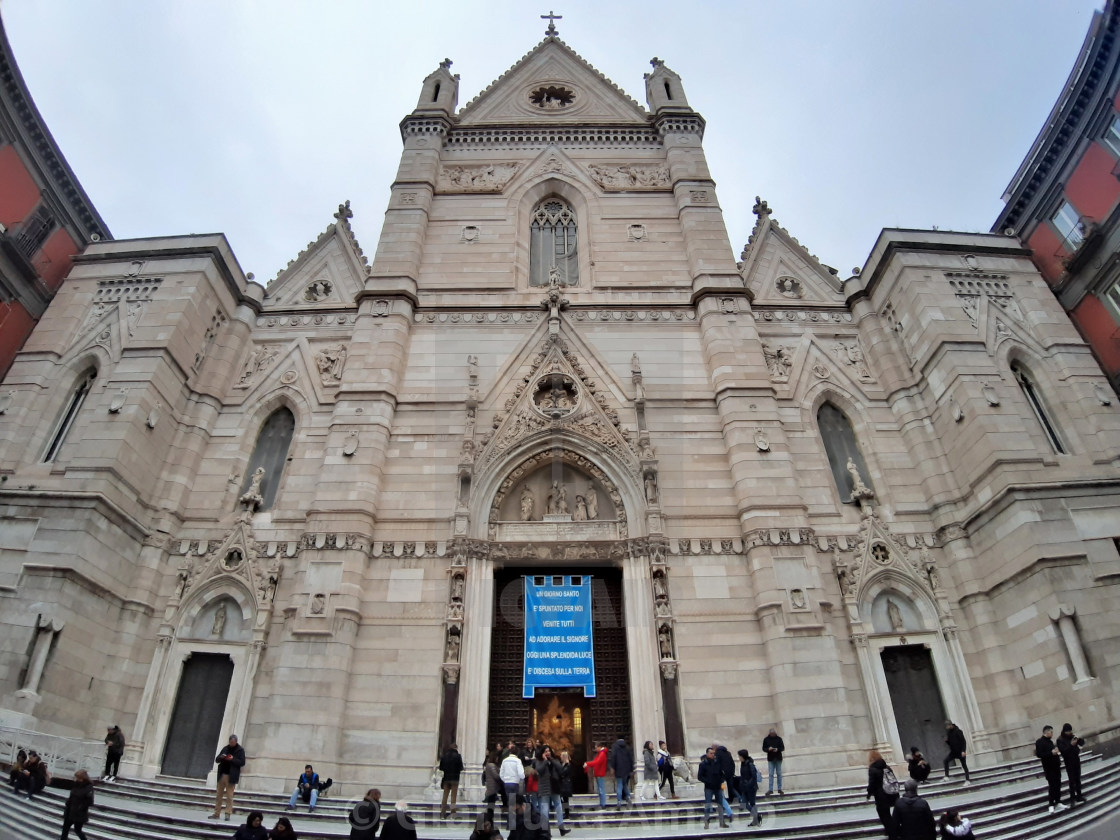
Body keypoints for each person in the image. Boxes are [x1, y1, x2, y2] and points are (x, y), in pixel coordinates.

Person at [533, 745, 571, 836]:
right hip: (544, 787)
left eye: (549, 751)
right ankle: (545, 830)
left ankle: (561, 828)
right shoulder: (539, 761)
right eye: (546, 751)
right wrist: (545, 761)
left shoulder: (554, 760)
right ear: (542, 753)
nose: (548, 753)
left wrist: (552, 760)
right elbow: (539, 770)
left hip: (554, 786)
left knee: (558, 806)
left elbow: (560, 769)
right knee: (544, 808)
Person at [209, 734, 245, 821]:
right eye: (230, 742)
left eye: (233, 742)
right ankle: (216, 813)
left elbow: (242, 762)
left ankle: (228, 813)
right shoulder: (225, 748)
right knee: (219, 795)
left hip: (231, 776)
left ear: (236, 741)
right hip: (222, 774)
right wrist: (221, 757)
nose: (231, 743)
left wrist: (232, 759)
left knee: (229, 796)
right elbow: (217, 759)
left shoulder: (240, 750)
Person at [866, 749, 900, 840]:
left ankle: (892, 835)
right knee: (890, 816)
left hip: (881, 796)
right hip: (892, 794)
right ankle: (894, 832)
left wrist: (868, 794)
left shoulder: (872, 769)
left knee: (885, 817)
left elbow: (872, 784)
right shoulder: (887, 767)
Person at [698, 745, 733, 829]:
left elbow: (722, 773)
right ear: (707, 754)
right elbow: (700, 776)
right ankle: (706, 822)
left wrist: (721, 780)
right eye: (711, 753)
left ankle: (722, 822)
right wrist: (707, 781)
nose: (713, 755)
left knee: (720, 805)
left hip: (718, 786)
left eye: (713, 753)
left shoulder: (717, 763)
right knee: (708, 804)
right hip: (709, 787)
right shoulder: (703, 764)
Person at [1035, 724, 1066, 814]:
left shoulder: (1050, 742)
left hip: (1056, 766)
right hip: (1049, 768)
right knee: (1052, 786)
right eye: (1051, 732)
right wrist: (1051, 753)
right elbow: (1039, 754)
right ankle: (1051, 804)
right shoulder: (1040, 742)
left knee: (1058, 784)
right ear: (1046, 732)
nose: (1052, 734)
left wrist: (1056, 752)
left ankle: (1058, 801)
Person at [60, 769, 94, 840]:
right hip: (70, 810)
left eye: (79, 778)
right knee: (65, 829)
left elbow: (89, 801)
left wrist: (80, 807)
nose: (77, 779)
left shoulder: (88, 787)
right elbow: (72, 795)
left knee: (77, 830)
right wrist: (68, 802)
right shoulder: (76, 784)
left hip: (79, 813)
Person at [1057, 723, 1085, 806]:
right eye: (1068, 731)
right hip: (1068, 761)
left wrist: (1079, 739)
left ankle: (1079, 796)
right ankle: (1072, 798)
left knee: (1078, 779)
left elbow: (1081, 743)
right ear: (1065, 731)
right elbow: (1063, 751)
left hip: (1076, 759)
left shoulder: (1072, 736)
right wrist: (1071, 745)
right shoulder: (1060, 740)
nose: (1069, 732)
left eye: (1070, 731)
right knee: (1072, 780)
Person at [737, 749, 762, 827]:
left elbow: (753, 776)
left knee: (752, 803)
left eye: (739, 756)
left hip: (751, 787)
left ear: (742, 756)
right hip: (745, 787)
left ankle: (755, 820)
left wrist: (748, 784)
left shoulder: (750, 764)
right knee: (744, 803)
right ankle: (757, 816)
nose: (738, 758)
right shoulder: (743, 764)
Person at [501, 748, 526, 823]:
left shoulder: (504, 760)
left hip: (507, 783)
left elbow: (501, 773)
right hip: (514, 783)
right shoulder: (517, 761)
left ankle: (510, 821)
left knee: (510, 802)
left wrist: (505, 780)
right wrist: (521, 778)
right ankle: (513, 821)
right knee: (515, 802)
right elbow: (521, 773)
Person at [439, 742, 464, 818]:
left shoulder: (444, 756)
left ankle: (442, 813)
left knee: (445, 796)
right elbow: (461, 767)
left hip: (446, 778)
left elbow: (441, 768)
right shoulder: (458, 756)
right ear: (456, 748)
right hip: (455, 779)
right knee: (453, 796)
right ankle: (453, 813)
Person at [607, 737, 634, 807]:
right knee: (625, 785)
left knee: (619, 785)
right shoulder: (627, 748)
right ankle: (628, 797)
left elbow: (613, 757)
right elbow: (631, 759)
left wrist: (612, 767)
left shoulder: (615, 747)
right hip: (626, 770)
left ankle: (619, 801)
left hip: (619, 770)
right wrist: (631, 770)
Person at [583, 741, 608, 809]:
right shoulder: (600, 753)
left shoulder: (602, 754)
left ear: (600, 747)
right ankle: (602, 803)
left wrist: (588, 764)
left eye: (596, 747)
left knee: (601, 790)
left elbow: (597, 762)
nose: (595, 749)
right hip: (598, 774)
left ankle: (603, 804)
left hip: (600, 774)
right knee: (600, 790)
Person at [762, 728, 785, 795]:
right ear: (769, 733)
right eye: (771, 734)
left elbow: (782, 748)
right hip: (771, 758)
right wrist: (768, 749)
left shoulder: (779, 739)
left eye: (773, 734)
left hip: (778, 758)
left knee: (779, 773)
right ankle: (770, 789)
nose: (772, 735)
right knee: (771, 774)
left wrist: (777, 749)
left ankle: (779, 788)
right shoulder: (766, 739)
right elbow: (763, 748)